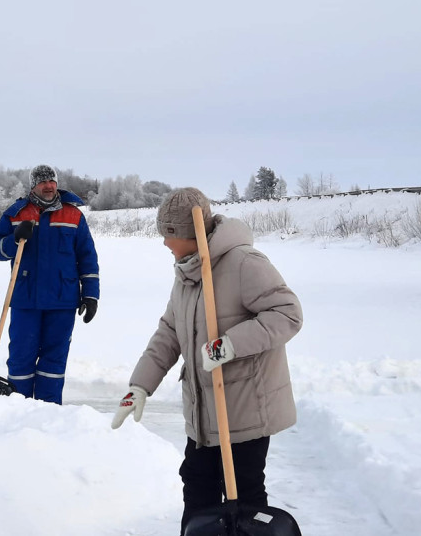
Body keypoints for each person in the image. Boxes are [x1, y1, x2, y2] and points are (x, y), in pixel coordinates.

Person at [109, 187, 302, 534]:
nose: (165, 243)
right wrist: (139, 386)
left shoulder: (244, 263)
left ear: (191, 234)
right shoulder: (187, 273)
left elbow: (287, 314)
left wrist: (229, 345)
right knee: (197, 487)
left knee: (244, 498)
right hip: (202, 415)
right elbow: (169, 333)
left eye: (170, 235)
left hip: (244, 410)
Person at [0, 164, 100, 404]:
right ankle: (18, 408)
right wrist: (13, 239)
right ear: (33, 186)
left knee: (54, 361)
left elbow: (87, 257)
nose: (48, 186)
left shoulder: (74, 216)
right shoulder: (16, 214)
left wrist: (91, 295)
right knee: (20, 358)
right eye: (42, 182)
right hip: (25, 300)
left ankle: (49, 412)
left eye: (52, 181)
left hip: (63, 300)